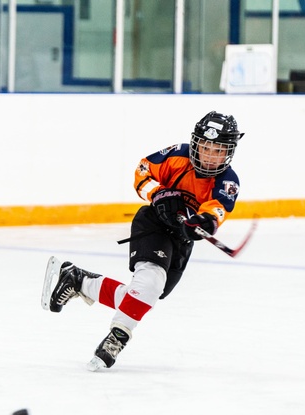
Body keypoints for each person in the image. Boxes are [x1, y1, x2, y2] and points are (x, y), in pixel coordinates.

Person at [42, 111, 244, 371]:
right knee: (149, 282)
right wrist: (158, 193)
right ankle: (117, 337)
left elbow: (218, 210)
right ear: (196, 143)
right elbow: (142, 170)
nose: (210, 156)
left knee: (146, 295)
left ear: (229, 153)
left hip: (181, 239)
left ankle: (78, 279)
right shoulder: (176, 155)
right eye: (206, 147)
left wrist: (203, 223)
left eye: (218, 150)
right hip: (153, 224)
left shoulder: (228, 181)